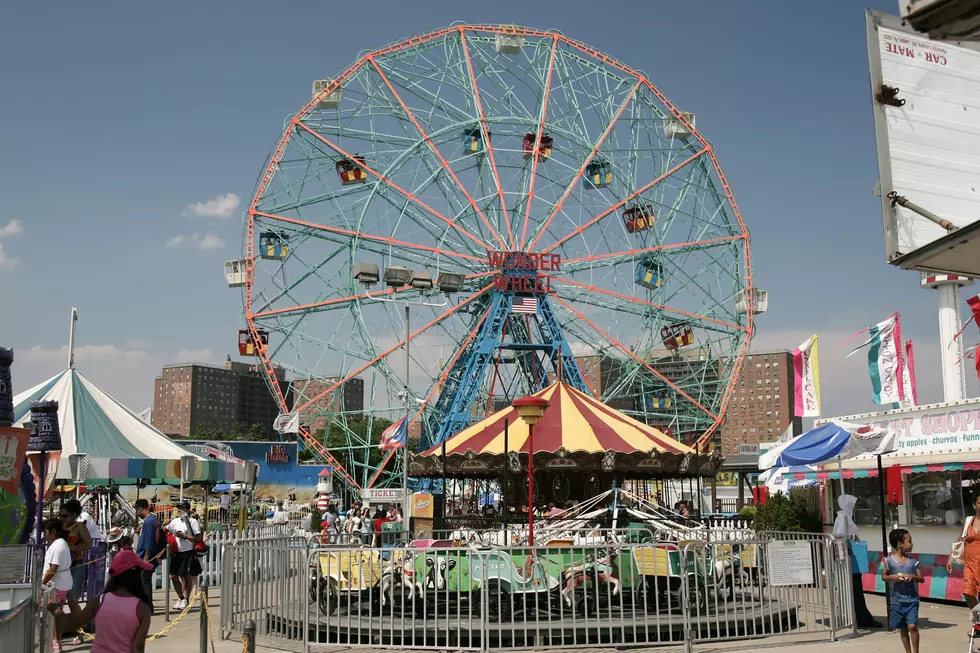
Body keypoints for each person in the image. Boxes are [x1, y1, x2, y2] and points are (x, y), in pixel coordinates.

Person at [50, 549, 153, 653]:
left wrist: (54, 608)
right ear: (135, 575)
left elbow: (72, 623)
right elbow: (138, 647)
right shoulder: (142, 609)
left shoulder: (100, 601)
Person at [834, 494, 882, 628]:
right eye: (853, 504)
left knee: (853, 590)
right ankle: (863, 618)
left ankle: (858, 617)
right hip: (850, 558)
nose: (855, 507)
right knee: (856, 589)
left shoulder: (843, 517)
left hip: (848, 559)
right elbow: (840, 535)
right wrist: (851, 540)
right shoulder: (844, 518)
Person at [883, 528, 923, 653]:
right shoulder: (888, 561)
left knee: (913, 626)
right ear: (900, 544)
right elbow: (884, 577)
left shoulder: (913, 562)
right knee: (903, 628)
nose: (912, 544)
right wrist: (894, 577)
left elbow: (921, 578)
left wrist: (913, 577)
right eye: (909, 541)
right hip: (896, 602)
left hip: (912, 601)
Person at [60, 499, 93, 634]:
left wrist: (72, 548)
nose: (62, 518)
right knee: (59, 602)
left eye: (65, 516)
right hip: (61, 567)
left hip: (76, 566)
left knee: (73, 600)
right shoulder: (59, 527)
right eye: (60, 515)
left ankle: (80, 630)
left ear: (73, 515)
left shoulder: (79, 527)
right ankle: (60, 630)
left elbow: (88, 544)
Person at [42, 518, 73, 653]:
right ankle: (56, 642)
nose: (44, 535)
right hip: (63, 583)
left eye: (46, 532)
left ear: (52, 532)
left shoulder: (57, 546)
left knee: (53, 611)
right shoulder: (62, 544)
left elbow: (53, 568)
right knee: (54, 614)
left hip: (55, 584)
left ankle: (56, 640)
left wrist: (41, 584)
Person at [166, 500, 203, 611]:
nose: (180, 510)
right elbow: (166, 529)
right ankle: (181, 597)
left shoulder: (193, 522)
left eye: (182, 508)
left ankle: (185, 599)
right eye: (179, 508)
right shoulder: (175, 521)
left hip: (188, 551)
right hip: (176, 552)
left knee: (186, 576)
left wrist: (185, 537)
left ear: (187, 509)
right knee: (173, 576)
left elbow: (198, 538)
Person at [949, 492, 980, 608]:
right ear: (974, 505)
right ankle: (978, 617)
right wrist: (950, 556)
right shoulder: (968, 521)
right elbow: (960, 538)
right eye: (979, 503)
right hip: (970, 563)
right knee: (968, 592)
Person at [134, 499, 161, 614]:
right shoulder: (153, 519)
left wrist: (145, 559)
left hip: (146, 557)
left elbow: (149, 541)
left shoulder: (149, 521)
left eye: (137, 510)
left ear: (140, 509)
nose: (136, 513)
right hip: (151, 556)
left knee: (144, 582)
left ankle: (147, 607)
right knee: (144, 581)